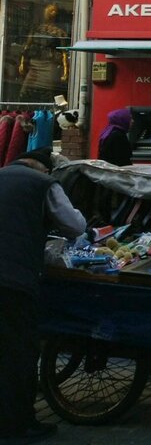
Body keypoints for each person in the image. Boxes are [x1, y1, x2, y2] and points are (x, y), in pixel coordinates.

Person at [0, 148, 86, 442]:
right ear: (46, 168)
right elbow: (75, 225)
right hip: (13, 280)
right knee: (19, 353)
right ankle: (18, 426)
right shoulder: (43, 183)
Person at [18, 2, 70, 102]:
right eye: (49, 12)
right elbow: (26, 47)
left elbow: (64, 52)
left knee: (47, 93)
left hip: (49, 65)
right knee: (24, 92)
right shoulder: (37, 29)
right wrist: (22, 63)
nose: (50, 15)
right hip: (34, 65)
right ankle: (23, 108)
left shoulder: (59, 33)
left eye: (52, 12)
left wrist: (65, 71)